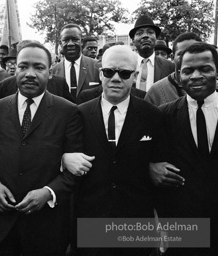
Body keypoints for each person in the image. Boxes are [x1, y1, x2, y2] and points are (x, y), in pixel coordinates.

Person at [0, 41, 83, 255]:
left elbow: (76, 170)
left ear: (50, 72)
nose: (29, 73)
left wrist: (48, 193)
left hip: (46, 228)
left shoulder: (68, 112)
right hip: (1, 224)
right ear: (15, 69)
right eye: (23, 66)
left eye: (38, 67)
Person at [65, 45, 166, 255]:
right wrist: (64, 158)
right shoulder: (79, 114)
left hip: (136, 223)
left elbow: (157, 165)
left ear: (135, 75)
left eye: (125, 73)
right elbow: (65, 152)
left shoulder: (153, 116)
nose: (116, 78)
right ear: (100, 72)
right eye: (109, 72)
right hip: (90, 219)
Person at [151, 42, 218, 255]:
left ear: (217, 71)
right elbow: (143, 155)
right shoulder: (163, 116)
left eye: (205, 69)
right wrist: (149, 167)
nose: (196, 76)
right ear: (178, 74)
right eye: (188, 71)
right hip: (182, 229)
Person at [145, 32, 202, 106]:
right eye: (181, 54)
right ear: (172, 57)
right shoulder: (156, 92)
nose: (188, 58)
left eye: (195, 53)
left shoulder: (213, 87)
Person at [52, 24, 101, 101]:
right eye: (66, 40)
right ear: (60, 43)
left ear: (82, 41)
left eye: (75, 39)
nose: (70, 43)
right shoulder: (53, 72)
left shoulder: (97, 67)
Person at [129, 15, 174, 92]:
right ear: (133, 40)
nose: (145, 36)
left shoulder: (170, 67)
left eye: (150, 32)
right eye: (140, 33)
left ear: (156, 38)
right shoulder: (126, 65)